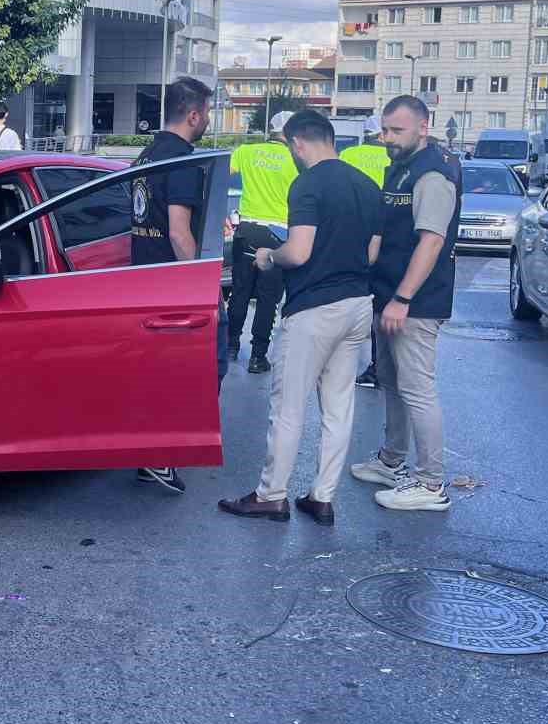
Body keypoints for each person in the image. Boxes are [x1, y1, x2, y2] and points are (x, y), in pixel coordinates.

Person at [218, 112, 381, 526]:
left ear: (297, 143)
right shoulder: (366, 185)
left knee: (288, 406)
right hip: (358, 304)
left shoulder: (307, 183)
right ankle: (322, 498)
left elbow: (299, 251)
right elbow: (372, 253)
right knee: (338, 408)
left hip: (313, 308)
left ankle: (271, 495)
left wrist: (269, 257)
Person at [350, 95, 461, 512]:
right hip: (389, 295)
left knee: (417, 389)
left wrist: (402, 298)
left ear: (423, 128)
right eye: (385, 129)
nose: (387, 137)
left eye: (397, 130)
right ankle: (391, 461)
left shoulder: (432, 173)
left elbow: (431, 241)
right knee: (392, 382)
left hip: (414, 302)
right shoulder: (400, 167)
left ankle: (431, 484)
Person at [130, 76, 225, 495]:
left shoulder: (147, 154)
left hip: (143, 279)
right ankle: (163, 452)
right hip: (173, 285)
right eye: (207, 113)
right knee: (205, 365)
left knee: (157, 369)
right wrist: (203, 289)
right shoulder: (182, 160)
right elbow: (179, 232)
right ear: (194, 115)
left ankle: (150, 452)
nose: (208, 120)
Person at [226, 115, 299, 374]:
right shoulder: (296, 159)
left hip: (247, 230)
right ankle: (258, 357)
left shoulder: (246, 151)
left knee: (240, 291)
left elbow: (221, 174)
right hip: (278, 234)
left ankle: (231, 345)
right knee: (268, 299)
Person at [342, 131, 393, 388]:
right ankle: (378, 366)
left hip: (353, 230)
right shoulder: (392, 157)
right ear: (381, 137)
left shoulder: (349, 154)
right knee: (379, 302)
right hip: (384, 230)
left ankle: (341, 361)